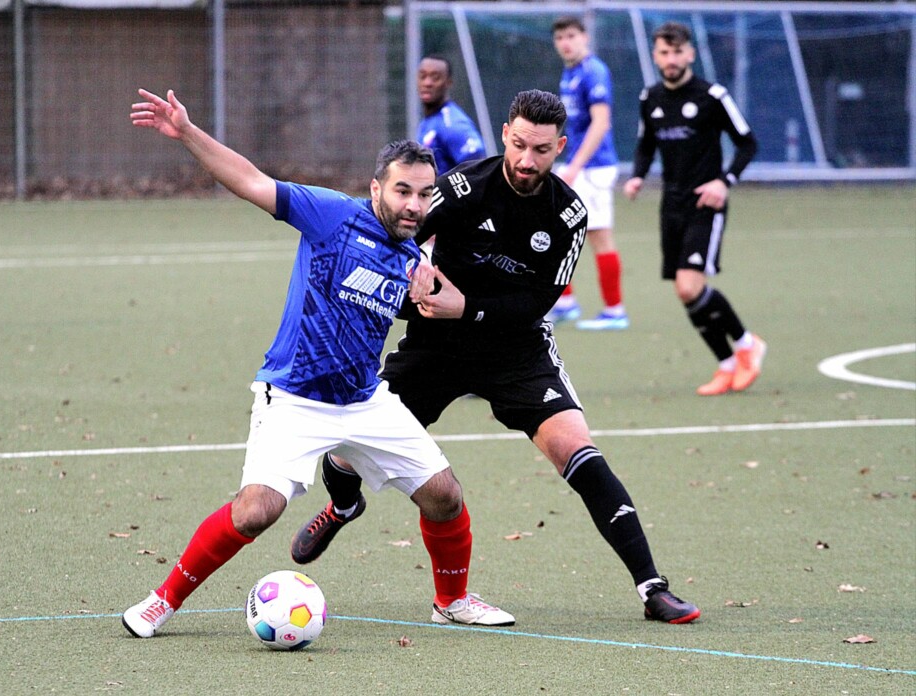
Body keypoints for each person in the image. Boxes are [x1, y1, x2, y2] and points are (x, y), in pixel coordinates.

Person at [292, 89, 700, 625]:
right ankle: (344, 505)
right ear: (507, 133)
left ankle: (653, 588)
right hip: (437, 347)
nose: (528, 160)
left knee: (579, 451)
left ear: (561, 147)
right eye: (520, 145)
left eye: (542, 150)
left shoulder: (568, 214)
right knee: (347, 451)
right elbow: (400, 232)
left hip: (516, 348)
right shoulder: (462, 187)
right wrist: (410, 278)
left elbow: (537, 304)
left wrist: (470, 308)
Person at [121, 88, 514, 639]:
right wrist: (187, 132)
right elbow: (251, 180)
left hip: (364, 400)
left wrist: (433, 293)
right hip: (296, 398)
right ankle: (162, 601)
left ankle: (450, 601)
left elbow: (441, 303)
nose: (413, 205)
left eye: (424, 195)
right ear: (377, 186)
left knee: (445, 496)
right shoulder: (331, 215)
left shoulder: (410, 254)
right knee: (256, 510)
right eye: (402, 190)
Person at [623, 22, 766, 396]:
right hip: (671, 203)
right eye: (663, 53)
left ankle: (748, 344)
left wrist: (724, 182)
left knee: (690, 285)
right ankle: (727, 364)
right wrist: (637, 176)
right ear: (655, 56)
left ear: (690, 53)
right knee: (684, 290)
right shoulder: (649, 98)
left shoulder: (712, 95)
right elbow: (645, 146)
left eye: (677, 52)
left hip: (706, 201)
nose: (671, 59)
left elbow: (747, 144)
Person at [547, 16, 629, 331]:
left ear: (584, 37)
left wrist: (574, 167)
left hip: (593, 168)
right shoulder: (570, 74)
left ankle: (615, 310)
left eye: (571, 35)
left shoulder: (594, 71)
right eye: (560, 38)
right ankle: (566, 302)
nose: (566, 42)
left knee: (598, 237)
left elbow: (601, 123)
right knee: (557, 230)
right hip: (577, 165)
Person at [416, 54, 487, 177]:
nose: (427, 83)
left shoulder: (452, 123)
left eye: (435, 77)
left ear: (448, 82)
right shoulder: (428, 122)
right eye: (423, 76)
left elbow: (478, 164)